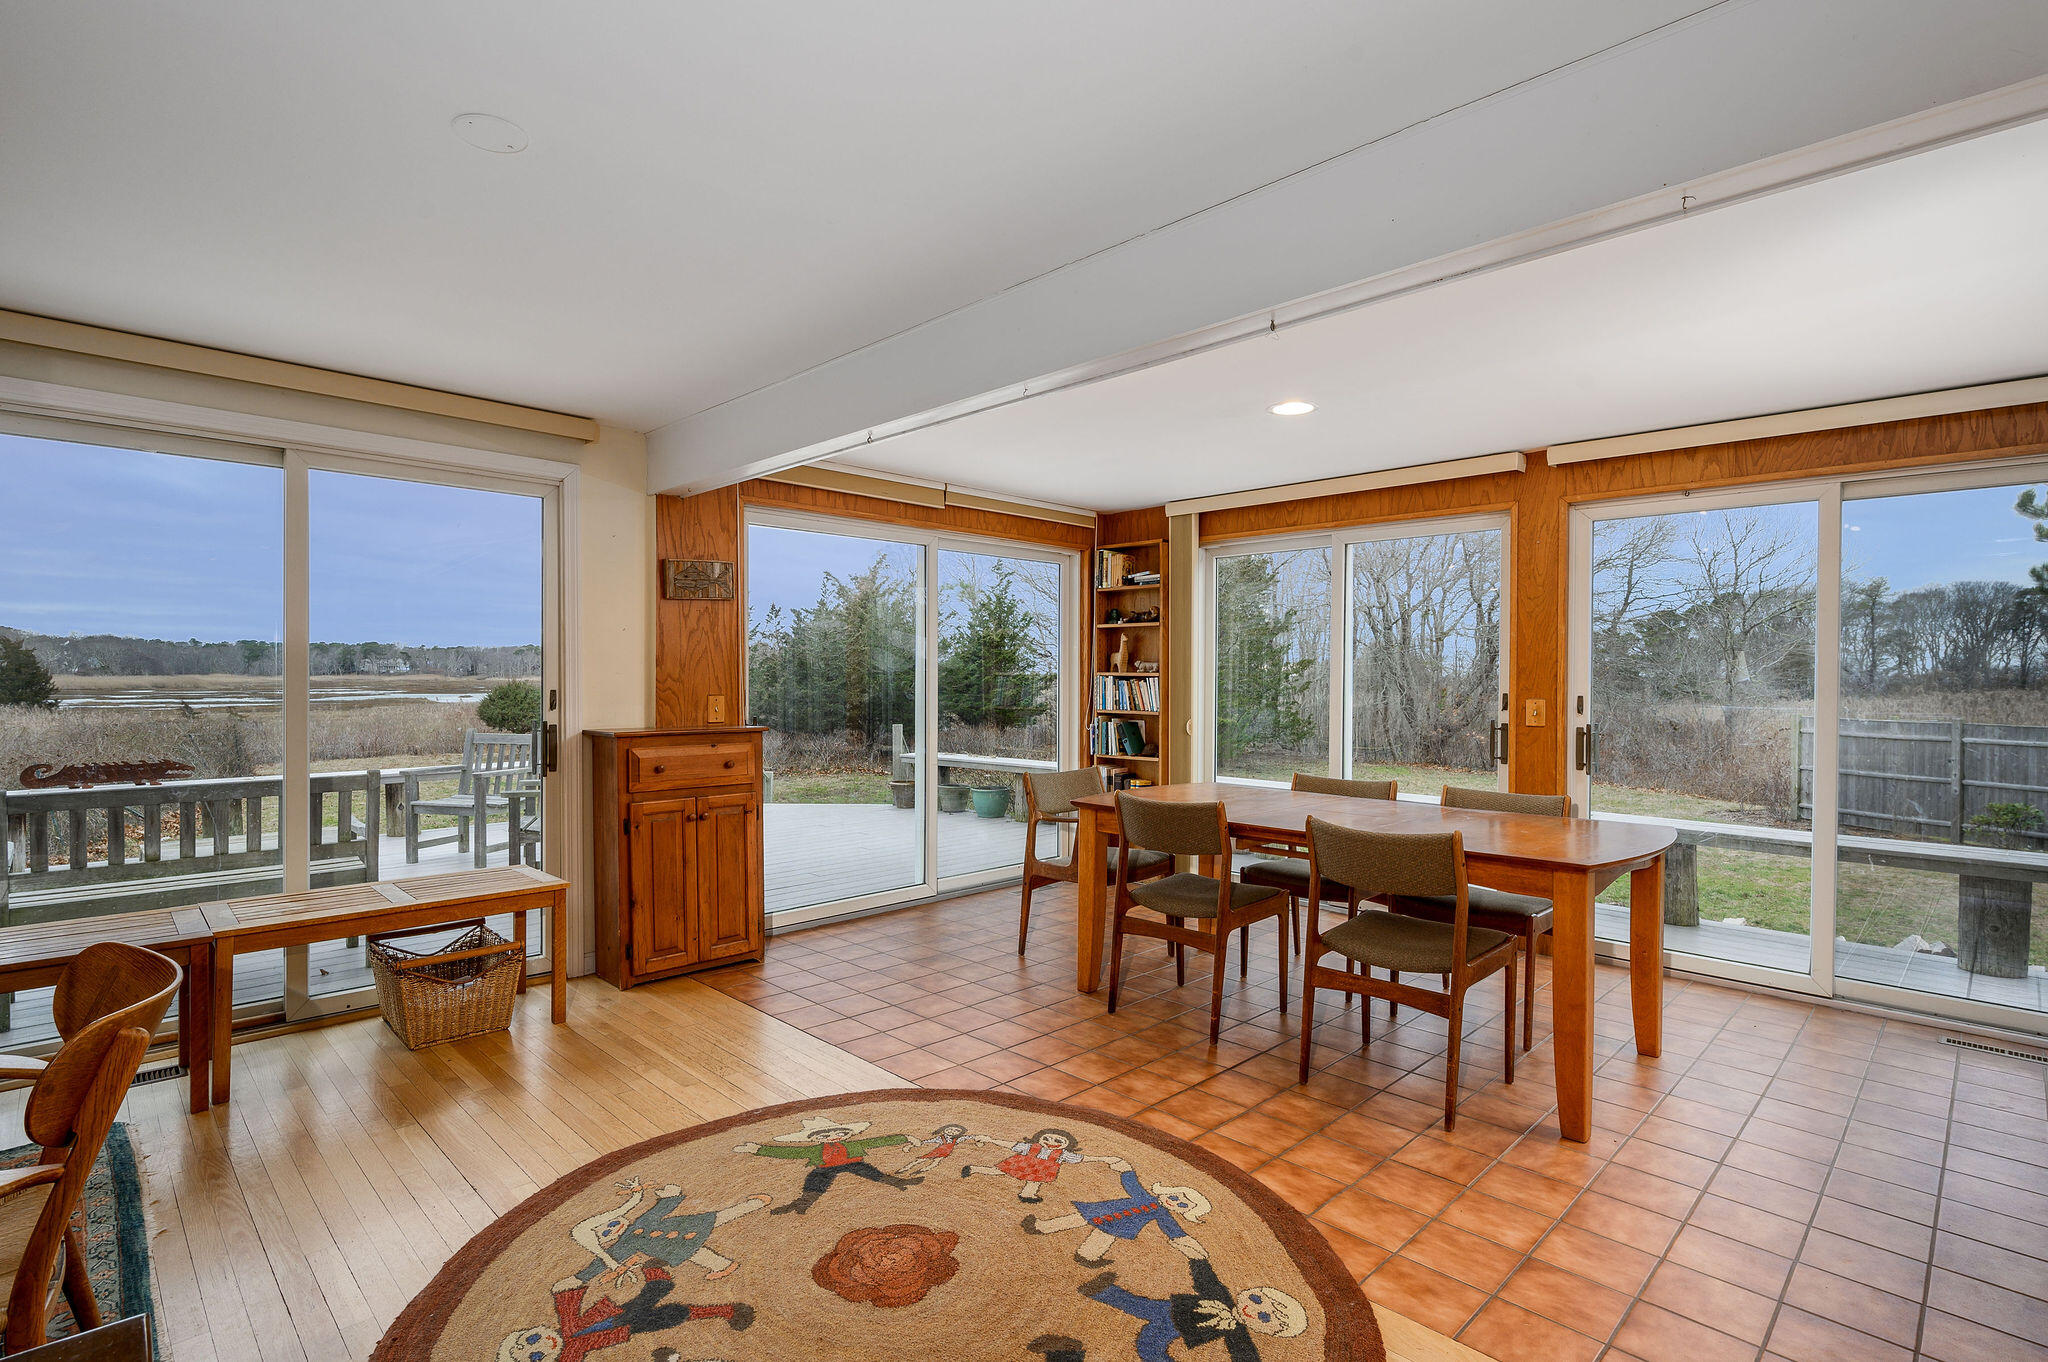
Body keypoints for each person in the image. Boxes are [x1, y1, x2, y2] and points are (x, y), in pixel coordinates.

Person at [1078, 1257, 1307, 1362]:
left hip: (1176, 1329)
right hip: (1170, 1308)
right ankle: (1103, 1291)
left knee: (1149, 1348)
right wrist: (1198, 1259)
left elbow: (1243, 1351)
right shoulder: (1222, 1297)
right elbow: (1207, 1281)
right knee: (1140, 1305)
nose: (1252, 1309)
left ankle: (1104, 1292)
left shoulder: (1236, 1331)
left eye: (1264, 1317)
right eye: (1257, 1299)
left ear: (1271, 1331)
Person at [1023, 1157, 1211, 1264]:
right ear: (1168, 1192)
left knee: (1103, 1236)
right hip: (1106, 1210)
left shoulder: (1162, 1215)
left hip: (1124, 1224)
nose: (1174, 1201)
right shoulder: (1144, 1196)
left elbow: (1173, 1231)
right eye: (1176, 1196)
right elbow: (1132, 1184)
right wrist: (1125, 1169)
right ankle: (1041, 1227)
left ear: (1184, 1211)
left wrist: (1190, 1246)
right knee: (1077, 1218)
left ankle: (1088, 1256)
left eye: (1182, 1205)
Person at [733, 1115, 920, 1215]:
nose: (832, 1137)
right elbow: (788, 1153)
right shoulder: (814, 1150)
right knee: (815, 1182)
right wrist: (757, 1149)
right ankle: (800, 1204)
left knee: (872, 1172)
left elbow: (878, 1141)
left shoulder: (853, 1144)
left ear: (845, 1133)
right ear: (815, 1138)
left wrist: (905, 1137)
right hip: (826, 1167)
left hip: (852, 1163)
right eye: (825, 1135)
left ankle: (900, 1183)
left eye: (838, 1133)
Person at [959, 1127, 1114, 1203]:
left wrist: (1103, 1158)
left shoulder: (1063, 1154)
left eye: (1058, 1141)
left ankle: (1027, 1194)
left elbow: (1081, 1158)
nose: (1051, 1143)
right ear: (1038, 1138)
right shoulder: (1029, 1147)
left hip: (1038, 1170)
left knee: (1033, 1180)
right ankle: (974, 1169)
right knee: (1001, 1171)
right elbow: (1010, 1145)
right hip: (1023, 1164)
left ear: (1067, 1145)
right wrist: (991, 1139)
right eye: (1047, 1138)